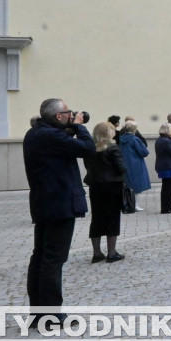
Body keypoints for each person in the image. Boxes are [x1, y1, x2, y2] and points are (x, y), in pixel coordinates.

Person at [24, 99, 95, 326]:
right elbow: (87, 149)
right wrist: (80, 125)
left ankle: (38, 313)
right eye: (67, 113)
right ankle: (51, 315)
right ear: (58, 116)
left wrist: (70, 126)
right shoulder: (50, 136)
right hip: (59, 204)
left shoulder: (35, 133)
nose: (70, 115)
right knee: (53, 259)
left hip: (45, 202)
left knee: (41, 257)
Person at [83, 121, 127, 264]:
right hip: (112, 186)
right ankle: (111, 252)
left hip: (95, 186)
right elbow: (120, 168)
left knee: (96, 218)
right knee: (112, 218)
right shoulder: (113, 148)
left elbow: (87, 166)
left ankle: (97, 253)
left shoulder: (90, 149)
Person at [118, 120, 150, 211]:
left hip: (124, 163)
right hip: (136, 164)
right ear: (134, 129)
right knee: (136, 185)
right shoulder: (135, 139)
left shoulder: (121, 138)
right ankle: (134, 204)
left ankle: (126, 203)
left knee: (127, 184)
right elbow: (144, 152)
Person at [154, 123, 171, 214]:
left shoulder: (160, 140)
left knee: (166, 187)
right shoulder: (167, 141)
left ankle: (166, 207)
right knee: (170, 188)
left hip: (164, 165)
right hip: (169, 166)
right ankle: (168, 207)